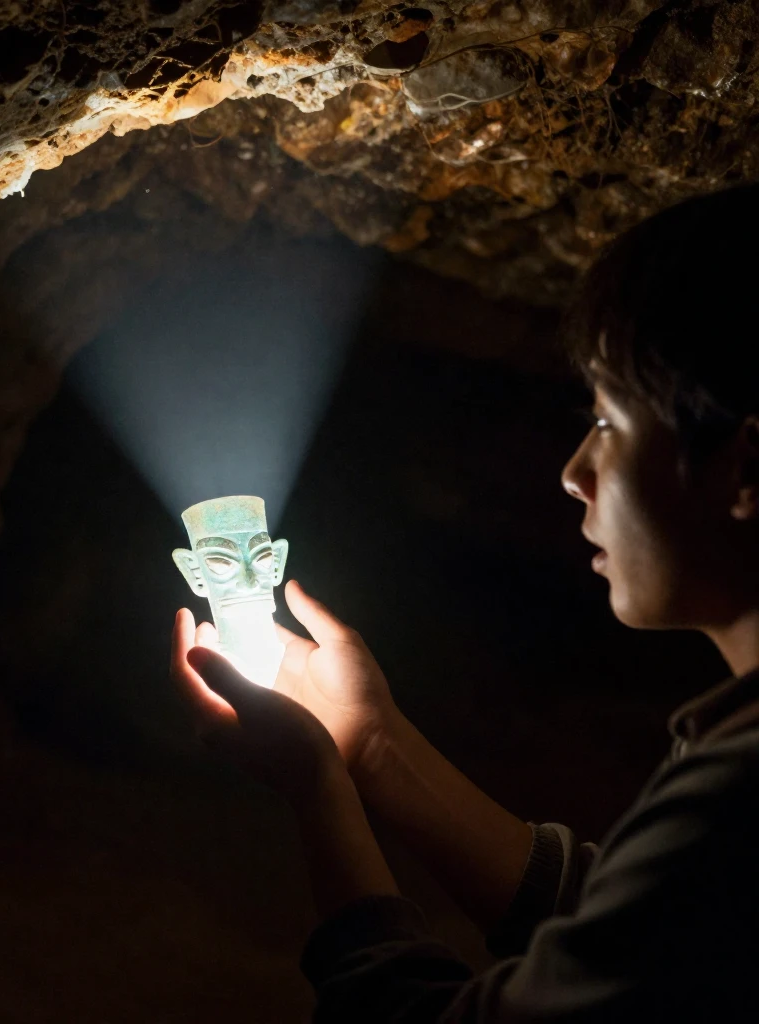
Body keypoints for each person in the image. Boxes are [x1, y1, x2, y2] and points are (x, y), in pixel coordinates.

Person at [170, 185, 759, 1022]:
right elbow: (636, 934)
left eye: (608, 422)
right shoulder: (728, 773)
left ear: (745, 469)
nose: (574, 472)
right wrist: (373, 746)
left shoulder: (734, 804)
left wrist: (317, 787)